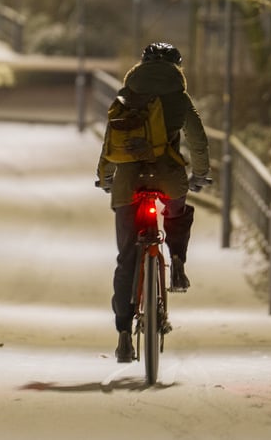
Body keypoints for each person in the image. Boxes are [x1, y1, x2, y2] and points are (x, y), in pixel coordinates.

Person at [96, 42, 211, 363]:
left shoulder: (127, 94)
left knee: (126, 257)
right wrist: (200, 174)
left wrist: (106, 176)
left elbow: (111, 139)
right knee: (177, 214)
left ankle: (122, 336)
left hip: (128, 181)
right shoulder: (180, 98)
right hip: (167, 175)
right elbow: (197, 139)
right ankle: (177, 264)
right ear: (177, 68)